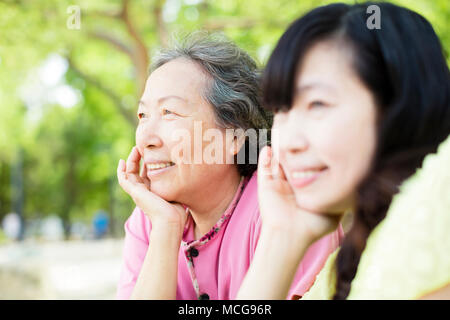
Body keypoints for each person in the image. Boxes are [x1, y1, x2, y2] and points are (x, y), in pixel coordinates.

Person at [237, 2, 450, 300]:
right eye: (281, 110)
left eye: (317, 104)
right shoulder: (343, 266)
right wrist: (282, 235)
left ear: (397, 106)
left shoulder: (441, 194)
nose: (288, 143)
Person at [115, 33, 343, 300]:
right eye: (143, 115)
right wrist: (166, 227)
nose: (146, 139)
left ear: (235, 137)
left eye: (169, 113)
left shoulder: (284, 208)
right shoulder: (150, 218)